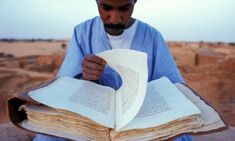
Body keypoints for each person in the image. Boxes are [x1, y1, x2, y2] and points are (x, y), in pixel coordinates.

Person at [34, 0, 193, 141]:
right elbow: (65, 86)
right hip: (92, 119)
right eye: (106, 8)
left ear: (135, 1)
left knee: (181, 134)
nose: (115, 19)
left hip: (141, 118)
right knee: (48, 134)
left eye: (124, 8)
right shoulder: (82, 33)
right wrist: (86, 77)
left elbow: (173, 87)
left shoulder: (152, 36)